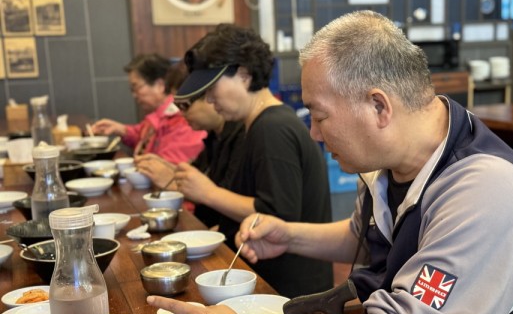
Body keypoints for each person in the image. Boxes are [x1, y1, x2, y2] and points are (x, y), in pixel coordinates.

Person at [147, 11, 513, 314]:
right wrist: (289, 234)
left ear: (378, 106)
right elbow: (364, 235)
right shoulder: (387, 164)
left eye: (319, 114)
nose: (314, 133)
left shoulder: (486, 191)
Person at [166, 25, 333, 298]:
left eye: (212, 88)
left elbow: (278, 214)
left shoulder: (273, 128)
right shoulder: (255, 125)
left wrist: (209, 193)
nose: (208, 99)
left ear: (244, 75)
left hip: (290, 291)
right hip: (268, 277)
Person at [135, 93, 246, 228]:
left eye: (185, 106)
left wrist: (174, 183)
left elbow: (229, 202)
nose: (181, 114)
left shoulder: (242, 137)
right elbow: (199, 176)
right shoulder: (214, 137)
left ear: (211, 99)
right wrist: (168, 168)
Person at [91, 53, 206, 164]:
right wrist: (121, 129)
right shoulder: (158, 115)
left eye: (136, 87)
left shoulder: (181, 116)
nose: (134, 95)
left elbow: (170, 165)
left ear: (160, 85)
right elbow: (146, 137)